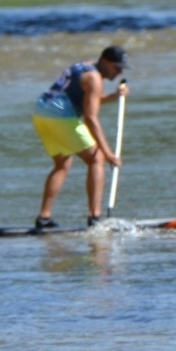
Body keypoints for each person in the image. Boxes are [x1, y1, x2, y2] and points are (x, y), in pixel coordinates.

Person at [32, 45, 128, 230]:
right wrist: (108, 153)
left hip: (41, 112)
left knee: (63, 164)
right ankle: (95, 217)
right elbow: (91, 118)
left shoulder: (85, 66)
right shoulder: (94, 79)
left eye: (122, 68)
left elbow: (89, 99)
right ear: (105, 62)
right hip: (59, 116)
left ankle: (44, 217)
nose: (119, 71)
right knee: (96, 158)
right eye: (117, 67)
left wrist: (114, 96)